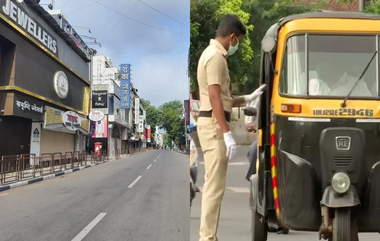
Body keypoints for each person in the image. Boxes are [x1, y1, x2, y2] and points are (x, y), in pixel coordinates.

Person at [196, 14, 265, 241]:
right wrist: (226, 132)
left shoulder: (211, 54)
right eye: (239, 41)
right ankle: (207, 238)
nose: (238, 45)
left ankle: (209, 237)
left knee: (213, 187)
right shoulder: (215, 57)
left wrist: (249, 98)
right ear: (232, 36)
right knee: (214, 189)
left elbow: (224, 98)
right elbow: (215, 96)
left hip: (211, 121)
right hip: (214, 125)